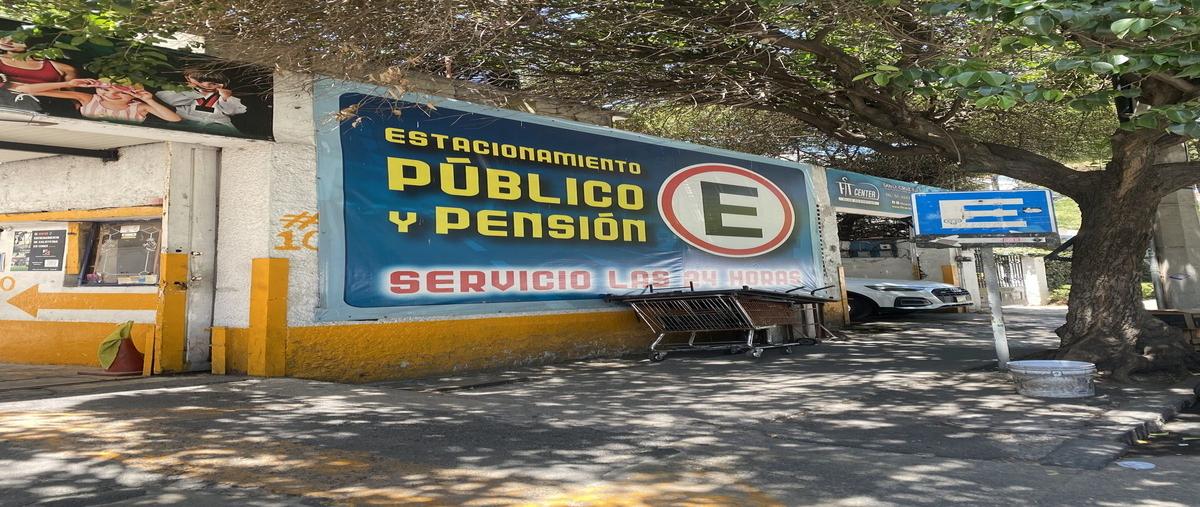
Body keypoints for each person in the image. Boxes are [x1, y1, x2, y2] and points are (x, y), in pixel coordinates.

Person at [17, 78, 181, 124]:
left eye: (121, 92)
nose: (112, 94)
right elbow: (24, 89)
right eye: (107, 89)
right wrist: (68, 84)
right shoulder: (88, 99)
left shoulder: (139, 107)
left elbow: (174, 119)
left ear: (134, 95)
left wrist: (150, 100)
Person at [155, 69, 247, 134]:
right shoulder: (185, 91)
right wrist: (187, 90)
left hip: (218, 125)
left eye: (214, 83)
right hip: (187, 122)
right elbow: (167, 99)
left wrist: (226, 98)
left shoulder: (222, 95)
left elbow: (234, 111)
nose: (210, 85)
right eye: (205, 81)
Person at [0, 36, 77, 111]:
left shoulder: (64, 69)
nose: (6, 42)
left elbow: (72, 98)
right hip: (5, 106)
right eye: (3, 37)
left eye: (18, 40)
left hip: (48, 108)